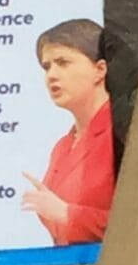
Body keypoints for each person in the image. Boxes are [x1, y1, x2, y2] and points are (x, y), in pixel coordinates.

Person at [22, 18, 117, 245]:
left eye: (63, 63)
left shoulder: (123, 135)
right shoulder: (62, 147)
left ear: (100, 69)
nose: (51, 75)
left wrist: (68, 214)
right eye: (47, 67)